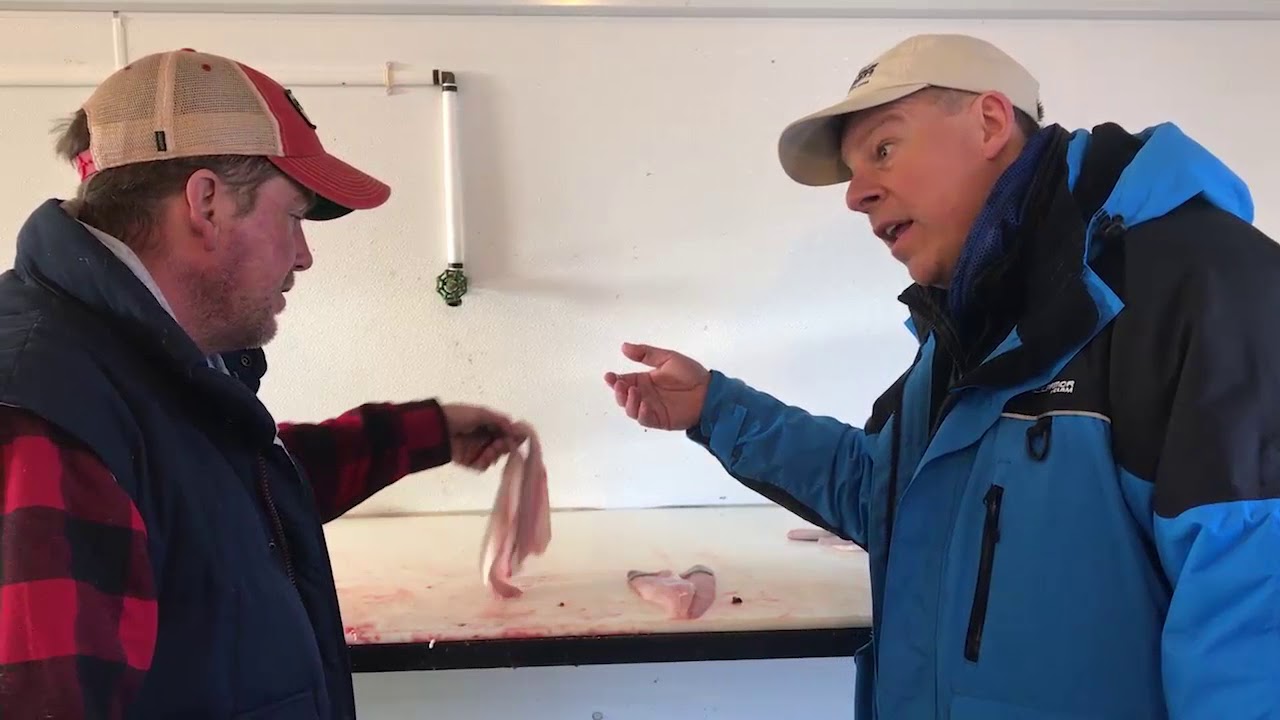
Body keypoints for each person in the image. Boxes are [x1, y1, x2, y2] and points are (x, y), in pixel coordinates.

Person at [606, 33, 1278, 719]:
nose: (856, 195)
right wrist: (714, 408)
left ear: (989, 122)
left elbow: (1254, 633)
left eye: (884, 148)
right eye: (854, 170)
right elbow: (890, 495)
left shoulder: (1208, 290)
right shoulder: (976, 321)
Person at [0, 49, 522, 719]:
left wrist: (425, 432)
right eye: (293, 216)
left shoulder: (130, 362)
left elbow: (216, 493)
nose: (304, 256)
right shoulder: (46, 416)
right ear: (207, 202)